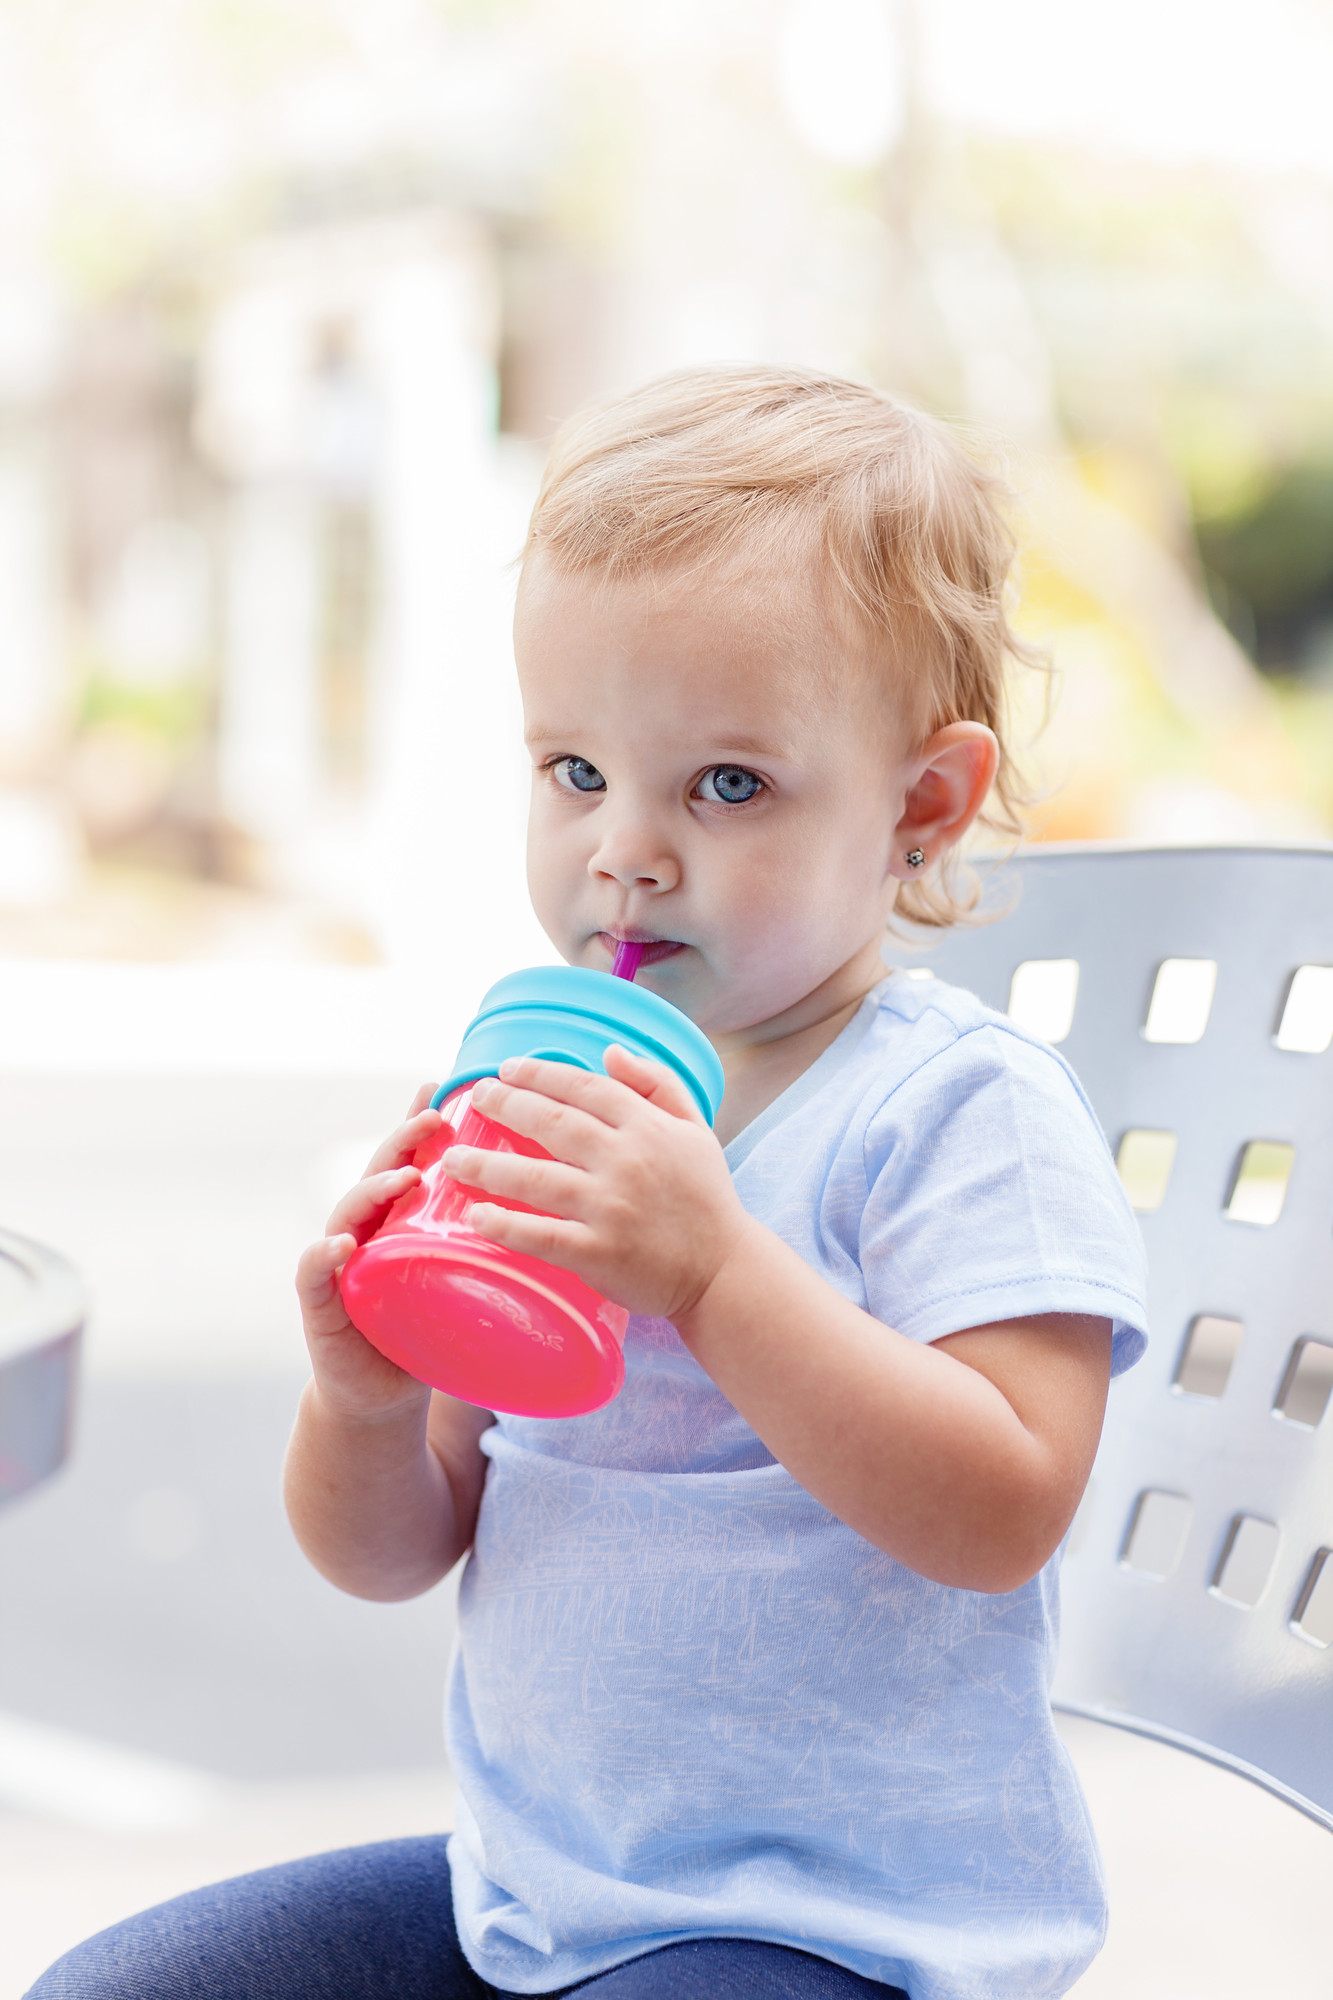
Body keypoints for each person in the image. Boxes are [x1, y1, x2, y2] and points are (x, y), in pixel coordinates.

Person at [28, 367, 1147, 2000]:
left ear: (919, 805)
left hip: (836, 1937)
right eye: (573, 771)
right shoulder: (541, 1111)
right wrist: (358, 1398)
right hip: (538, 1901)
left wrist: (715, 1275)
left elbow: (1001, 1509)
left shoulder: (954, 1110)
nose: (624, 850)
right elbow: (394, 1548)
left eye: (727, 784)